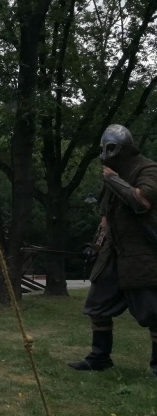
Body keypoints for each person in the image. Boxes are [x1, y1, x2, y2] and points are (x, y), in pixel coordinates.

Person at [69, 124, 157, 374]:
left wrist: (113, 179)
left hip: (142, 253)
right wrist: (96, 245)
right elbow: (106, 216)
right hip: (113, 252)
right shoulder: (112, 175)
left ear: (124, 149)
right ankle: (99, 358)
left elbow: (142, 202)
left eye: (110, 148)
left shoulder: (148, 169)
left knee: (153, 311)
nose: (105, 154)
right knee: (97, 304)